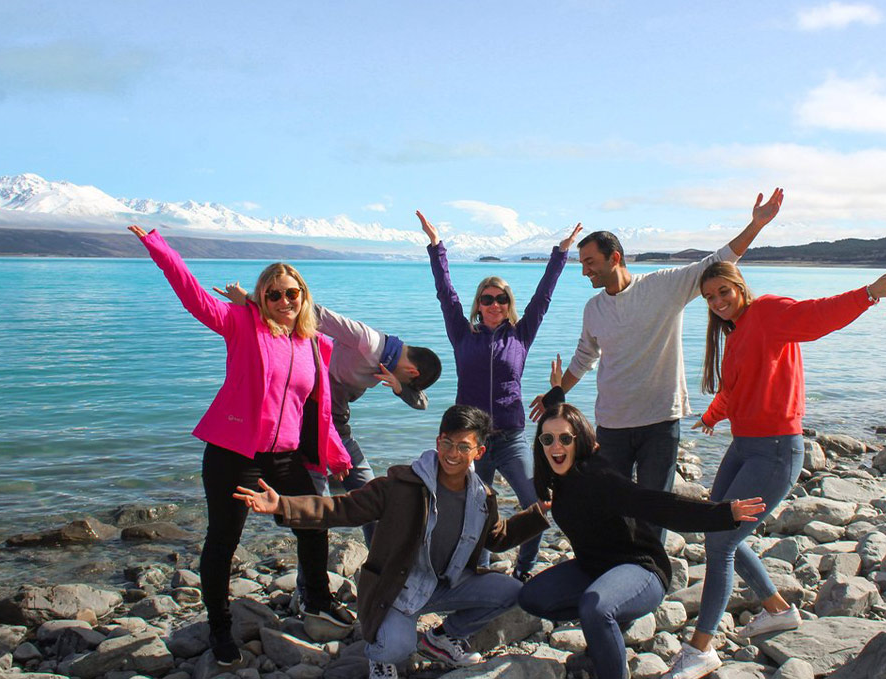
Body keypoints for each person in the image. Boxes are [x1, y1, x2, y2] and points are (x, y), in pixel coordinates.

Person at [664, 259, 886, 679]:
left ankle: (701, 649)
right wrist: (713, 416)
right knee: (719, 530)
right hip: (743, 447)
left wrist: (870, 293)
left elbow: (817, 316)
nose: (717, 303)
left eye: (723, 292)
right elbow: (739, 387)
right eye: (709, 298)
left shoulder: (767, 312)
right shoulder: (738, 330)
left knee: (721, 544)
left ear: (739, 287)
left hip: (776, 451)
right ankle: (778, 611)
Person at [127, 226, 354, 667]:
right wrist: (158, 245)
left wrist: (337, 454)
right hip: (234, 453)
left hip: (285, 455)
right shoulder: (241, 325)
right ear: (261, 298)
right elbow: (192, 295)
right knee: (224, 539)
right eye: (274, 295)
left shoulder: (313, 344)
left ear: (304, 297)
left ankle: (317, 601)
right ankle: (218, 626)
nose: (284, 302)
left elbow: (318, 410)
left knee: (312, 523)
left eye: (292, 294)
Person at [531, 189, 783, 539]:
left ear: (614, 257)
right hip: (612, 425)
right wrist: (555, 394)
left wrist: (755, 225)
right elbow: (584, 358)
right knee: (610, 508)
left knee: (655, 510)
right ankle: (614, 571)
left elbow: (719, 261)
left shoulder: (664, 286)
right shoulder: (594, 309)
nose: (584, 270)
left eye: (589, 262)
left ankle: (651, 576)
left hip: (659, 423)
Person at [233, 405, 550, 679]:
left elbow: (496, 538)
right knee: (397, 649)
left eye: (463, 446)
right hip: (398, 589)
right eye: (447, 443)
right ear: (437, 441)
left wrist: (538, 514)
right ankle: (379, 656)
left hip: (445, 583)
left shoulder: (482, 497)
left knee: (512, 592)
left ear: (479, 452)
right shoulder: (402, 485)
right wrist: (283, 505)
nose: (453, 454)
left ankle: (441, 639)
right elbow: (341, 508)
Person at [517, 402, 764, 679]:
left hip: (641, 570)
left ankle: (608, 648)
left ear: (580, 440)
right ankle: (606, 631)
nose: (555, 446)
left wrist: (722, 513)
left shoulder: (598, 477)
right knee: (532, 597)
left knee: (595, 608)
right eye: (547, 439)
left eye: (565, 438)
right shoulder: (556, 480)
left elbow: (655, 505)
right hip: (594, 568)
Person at [417, 210, 582, 580]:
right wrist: (435, 245)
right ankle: (478, 570)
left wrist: (561, 253)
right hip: (471, 443)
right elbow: (446, 293)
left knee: (536, 504)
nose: (494, 305)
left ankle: (524, 570)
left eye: (501, 299)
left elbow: (544, 295)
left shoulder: (520, 336)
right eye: (487, 299)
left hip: (511, 438)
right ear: (478, 305)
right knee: (473, 511)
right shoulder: (463, 335)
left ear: (509, 304)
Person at [213, 285, 442, 545]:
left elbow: (421, 403)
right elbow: (311, 313)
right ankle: (310, 582)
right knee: (316, 510)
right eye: (409, 382)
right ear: (412, 371)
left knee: (373, 497)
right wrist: (251, 301)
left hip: (339, 431)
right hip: (308, 428)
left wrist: (401, 388)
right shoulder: (367, 340)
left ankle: (382, 569)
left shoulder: (389, 365)